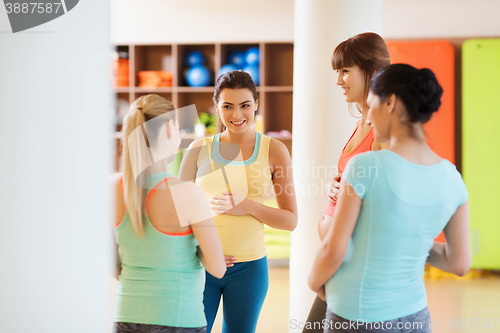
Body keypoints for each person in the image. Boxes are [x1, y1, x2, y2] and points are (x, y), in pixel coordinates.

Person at [308, 64, 471, 333]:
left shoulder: (364, 167)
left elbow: (333, 250)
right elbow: (459, 262)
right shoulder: (452, 178)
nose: (369, 118)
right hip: (415, 318)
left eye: (371, 106)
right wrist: (407, 239)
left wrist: (314, 282)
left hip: (357, 316)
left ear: (390, 103)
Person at [178, 70, 298, 333]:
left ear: (256, 104)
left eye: (245, 105)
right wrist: (201, 251)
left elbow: (290, 220)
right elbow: (177, 216)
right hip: (200, 265)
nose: (237, 115)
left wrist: (248, 206)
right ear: (216, 106)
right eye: (227, 106)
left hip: (249, 270)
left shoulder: (275, 150)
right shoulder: (198, 149)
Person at [112, 94, 226, 333]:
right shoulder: (187, 193)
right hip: (178, 319)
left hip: (125, 315)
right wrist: (200, 251)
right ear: (169, 128)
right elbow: (218, 268)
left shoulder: (111, 188)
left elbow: (112, 264)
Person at [304, 32, 391, 332]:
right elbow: (354, 179)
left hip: (355, 265)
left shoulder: (384, 131)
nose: (339, 81)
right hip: (340, 262)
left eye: (345, 72)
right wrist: (333, 187)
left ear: (372, 71)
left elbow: (382, 198)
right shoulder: (360, 125)